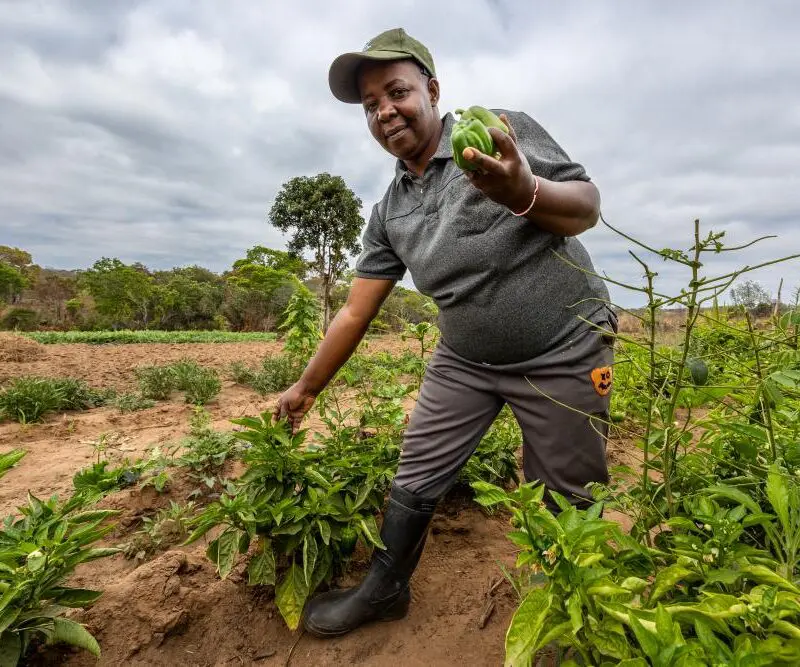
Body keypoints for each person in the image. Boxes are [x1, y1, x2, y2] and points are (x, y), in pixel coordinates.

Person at [273, 27, 617, 638]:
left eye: (396, 91)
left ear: (432, 90)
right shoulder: (391, 211)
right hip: (465, 360)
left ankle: (564, 618)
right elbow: (355, 312)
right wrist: (306, 387)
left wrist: (522, 190)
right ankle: (386, 588)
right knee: (417, 470)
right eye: (371, 105)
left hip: (566, 347)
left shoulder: (497, 131)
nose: (385, 111)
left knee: (565, 498)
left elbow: (585, 206)